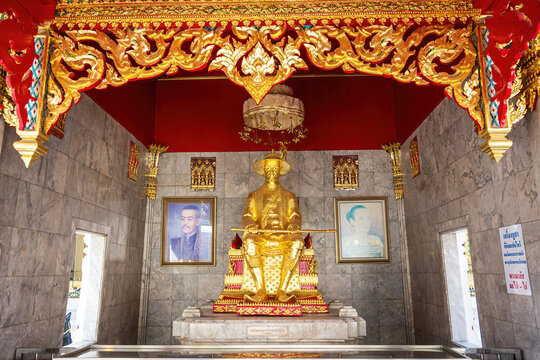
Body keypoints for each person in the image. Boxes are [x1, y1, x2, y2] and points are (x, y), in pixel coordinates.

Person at [241, 150, 303, 303]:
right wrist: (250, 224)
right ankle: (261, 290)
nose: (271, 172)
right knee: (249, 242)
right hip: (261, 237)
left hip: (283, 237)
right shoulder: (254, 195)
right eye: (268, 168)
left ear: (280, 171)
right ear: (263, 171)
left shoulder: (289, 196)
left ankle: (282, 290)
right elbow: (247, 215)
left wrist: (294, 225)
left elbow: (295, 215)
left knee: (297, 242)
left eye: (275, 169)